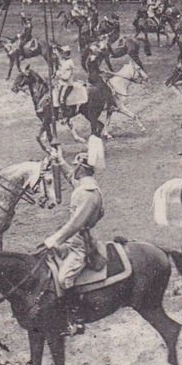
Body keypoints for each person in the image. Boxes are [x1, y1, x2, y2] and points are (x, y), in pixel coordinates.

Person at [40, 142, 105, 336]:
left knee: (64, 278)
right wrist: (59, 160)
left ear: (81, 168)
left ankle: (75, 320)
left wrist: (55, 239)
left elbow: (75, 224)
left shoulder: (88, 194)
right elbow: (71, 178)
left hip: (80, 244)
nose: (73, 170)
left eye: (75, 166)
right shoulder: (86, 186)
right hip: (75, 239)